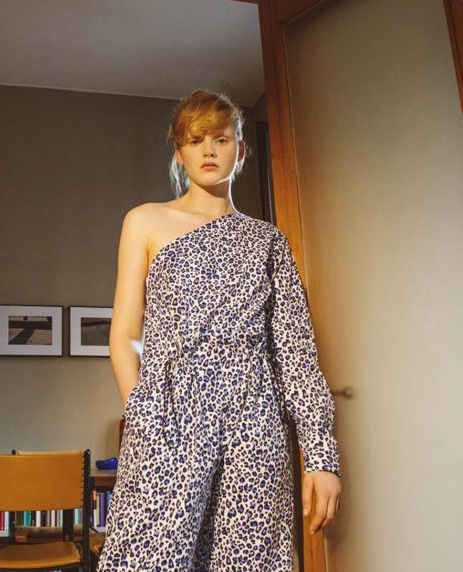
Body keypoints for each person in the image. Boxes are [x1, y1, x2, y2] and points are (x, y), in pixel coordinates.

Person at [98, 90, 342, 571]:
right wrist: (143, 412)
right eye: (195, 140)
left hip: (254, 420)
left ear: (240, 149)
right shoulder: (145, 221)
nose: (208, 150)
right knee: (149, 557)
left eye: (221, 139)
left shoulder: (268, 241)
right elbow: (124, 334)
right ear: (179, 152)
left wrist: (321, 456)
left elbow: (295, 352)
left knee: (250, 559)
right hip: (168, 417)